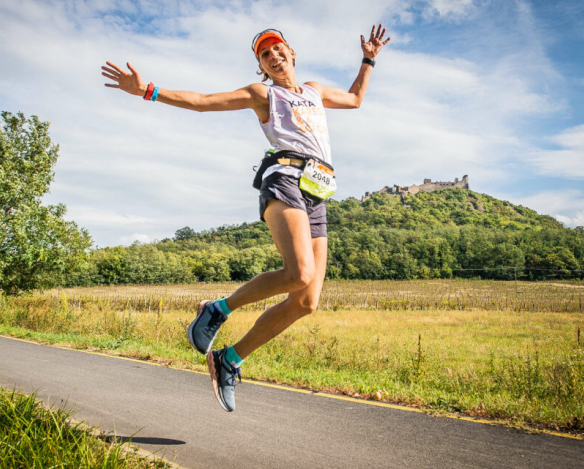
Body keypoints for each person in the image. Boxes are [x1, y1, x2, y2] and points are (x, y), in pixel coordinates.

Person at [102, 25, 390, 411]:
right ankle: (217, 309)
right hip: (285, 175)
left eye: (277, 49)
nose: (273, 56)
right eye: (264, 54)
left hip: (318, 191)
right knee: (299, 273)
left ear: (291, 52)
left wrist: (368, 59)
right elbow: (203, 101)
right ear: (261, 66)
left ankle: (229, 360)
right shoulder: (263, 94)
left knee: (306, 301)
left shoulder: (314, 90)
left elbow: (355, 99)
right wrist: (148, 91)